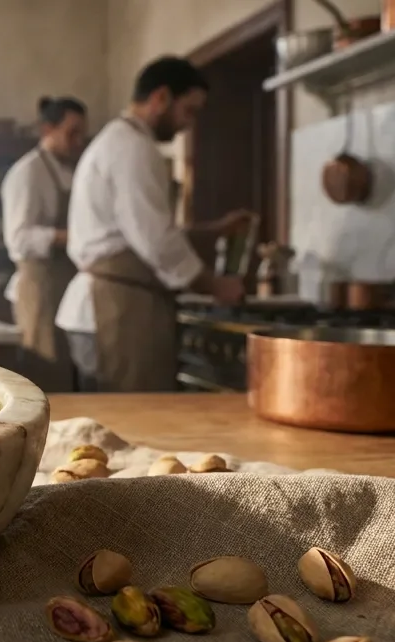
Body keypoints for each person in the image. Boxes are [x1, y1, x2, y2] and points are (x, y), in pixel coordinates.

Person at [58, 56, 252, 393]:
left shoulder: (118, 140)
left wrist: (213, 230)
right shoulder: (133, 147)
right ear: (161, 97)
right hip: (116, 311)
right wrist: (215, 285)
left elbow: (137, 233)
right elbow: (156, 242)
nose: (187, 125)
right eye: (188, 111)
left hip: (111, 304)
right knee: (130, 424)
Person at [1, 96, 89, 384]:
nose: (78, 141)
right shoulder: (27, 173)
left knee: (69, 371)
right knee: (47, 374)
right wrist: (69, 236)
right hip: (40, 287)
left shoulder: (73, 170)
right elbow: (18, 238)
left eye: (81, 133)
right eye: (71, 132)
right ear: (47, 130)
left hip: (68, 282)